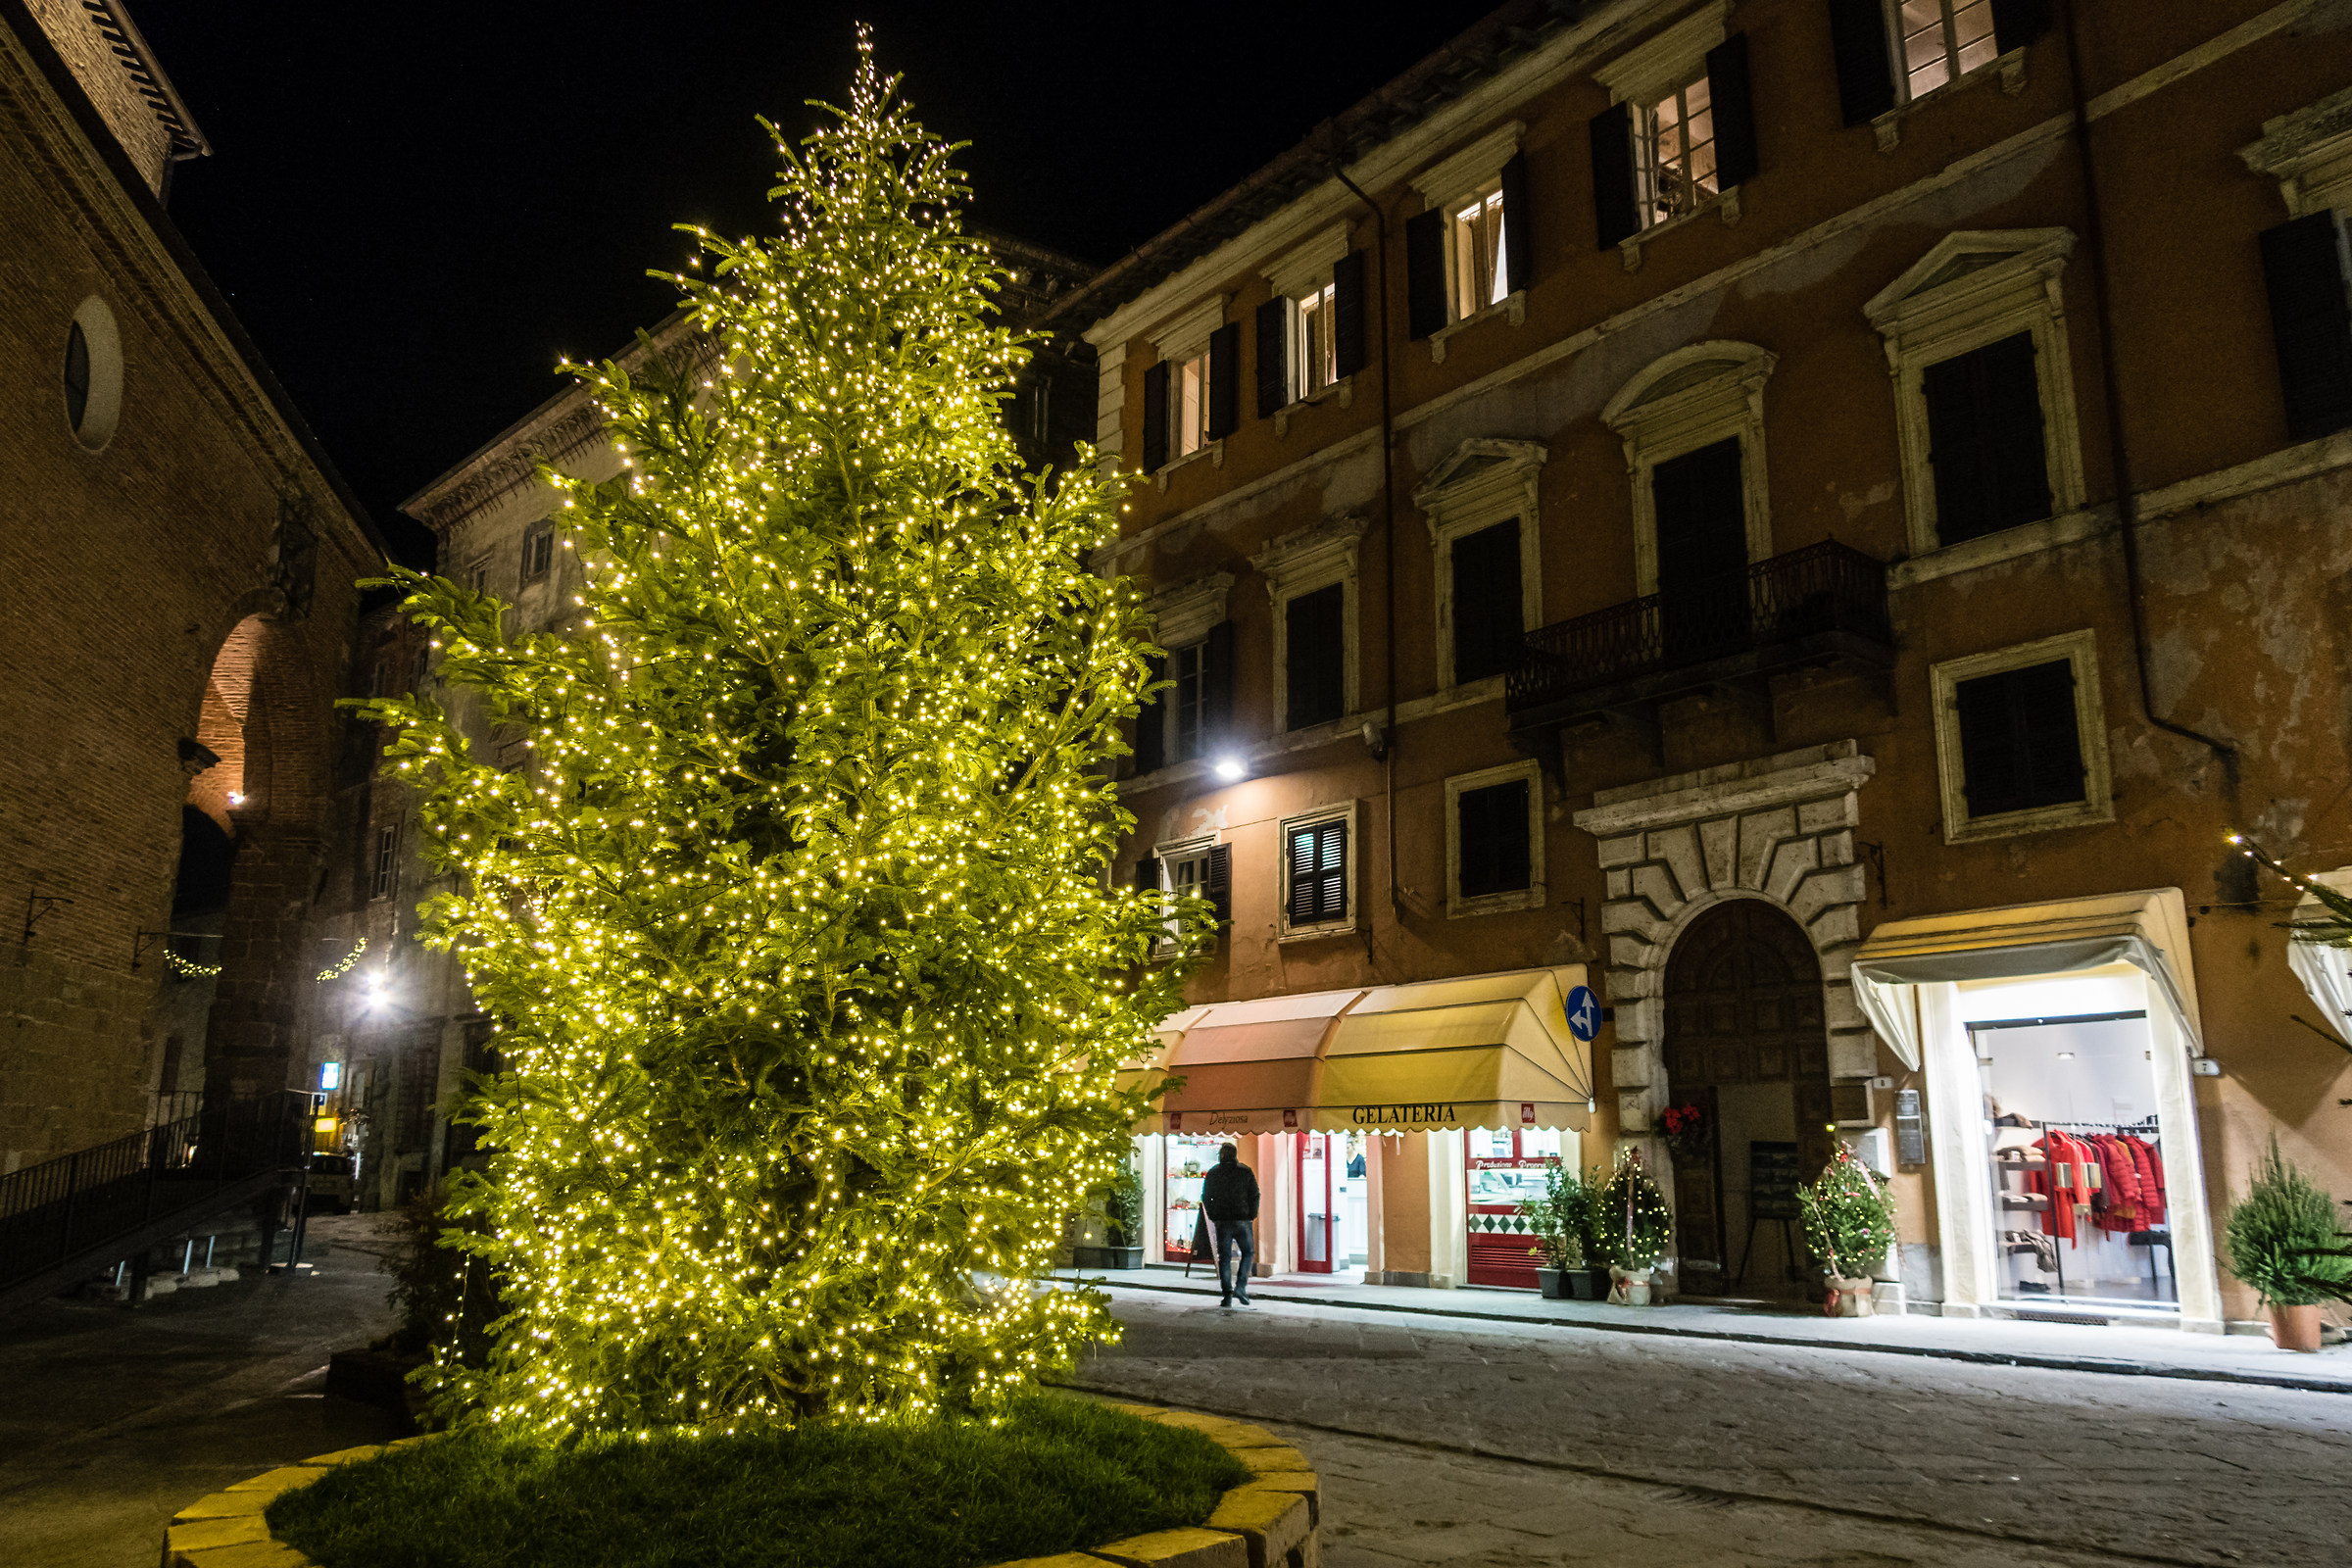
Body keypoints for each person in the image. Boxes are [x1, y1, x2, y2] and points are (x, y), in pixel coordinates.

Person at [1200, 1142, 1259, 1307]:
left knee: (1224, 1258)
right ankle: (1240, 1287)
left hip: (1222, 1221)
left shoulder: (1213, 1173)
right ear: (1235, 1155)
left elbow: (1206, 1196)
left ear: (1221, 1155)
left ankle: (1227, 1294)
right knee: (1247, 1252)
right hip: (1242, 1219)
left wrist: (1213, 1215)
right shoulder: (1245, 1171)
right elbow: (1255, 1194)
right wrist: (1251, 1215)